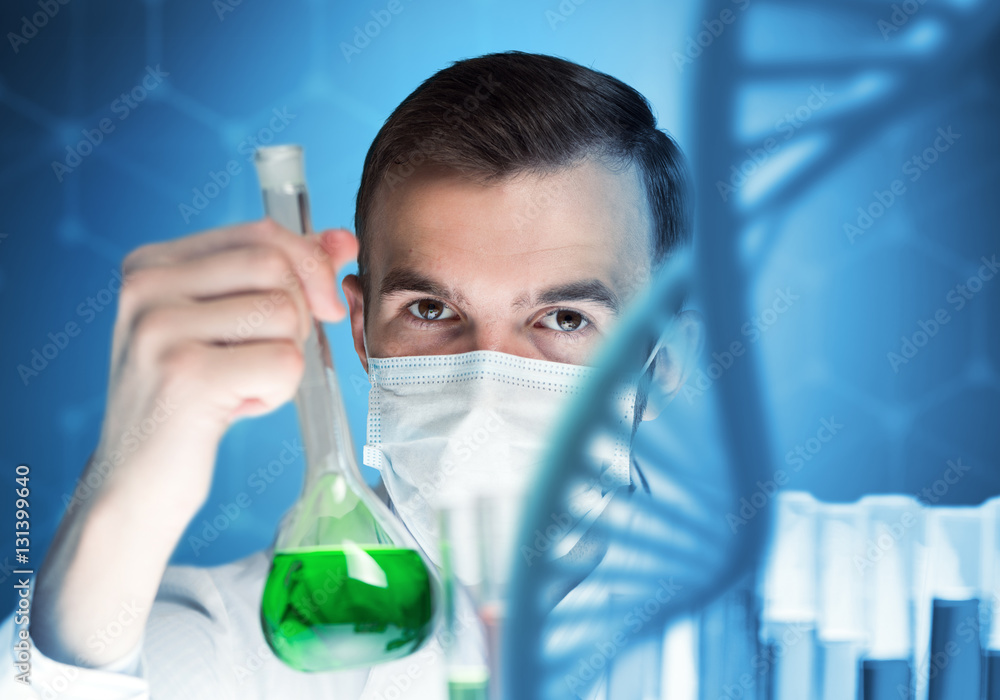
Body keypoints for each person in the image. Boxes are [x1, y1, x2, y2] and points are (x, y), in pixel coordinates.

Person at [2, 51, 701, 699]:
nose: (486, 389)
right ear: (361, 330)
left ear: (661, 362)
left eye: (566, 319)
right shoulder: (245, 639)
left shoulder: (794, 605)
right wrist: (121, 498)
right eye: (431, 309)